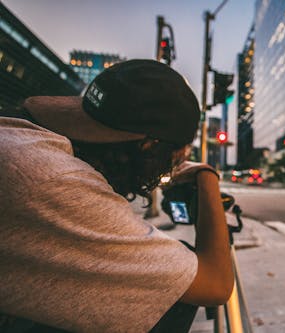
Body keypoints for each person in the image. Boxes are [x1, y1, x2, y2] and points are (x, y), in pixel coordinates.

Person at [0, 59, 234, 332]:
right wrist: (207, 176)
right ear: (148, 147)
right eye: (173, 158)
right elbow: (215, 283)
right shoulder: (59, 182)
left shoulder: (23, 137)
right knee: (170, 297)